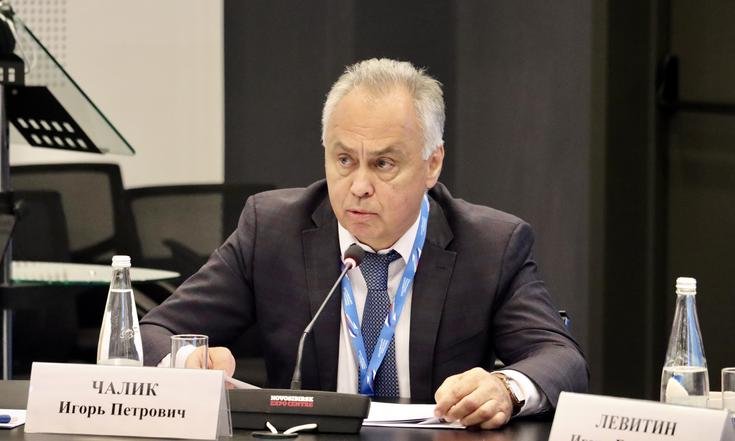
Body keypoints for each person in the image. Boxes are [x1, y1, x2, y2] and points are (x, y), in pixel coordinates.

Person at [140, 58, 588, 429]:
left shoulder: (490, 245)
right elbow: (152, 333)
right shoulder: (272, 230)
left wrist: (505, 388)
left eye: (383, 164)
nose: (358, 186)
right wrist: (188, 362)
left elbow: (560, 358)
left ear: (432, 164)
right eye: (344, 160)